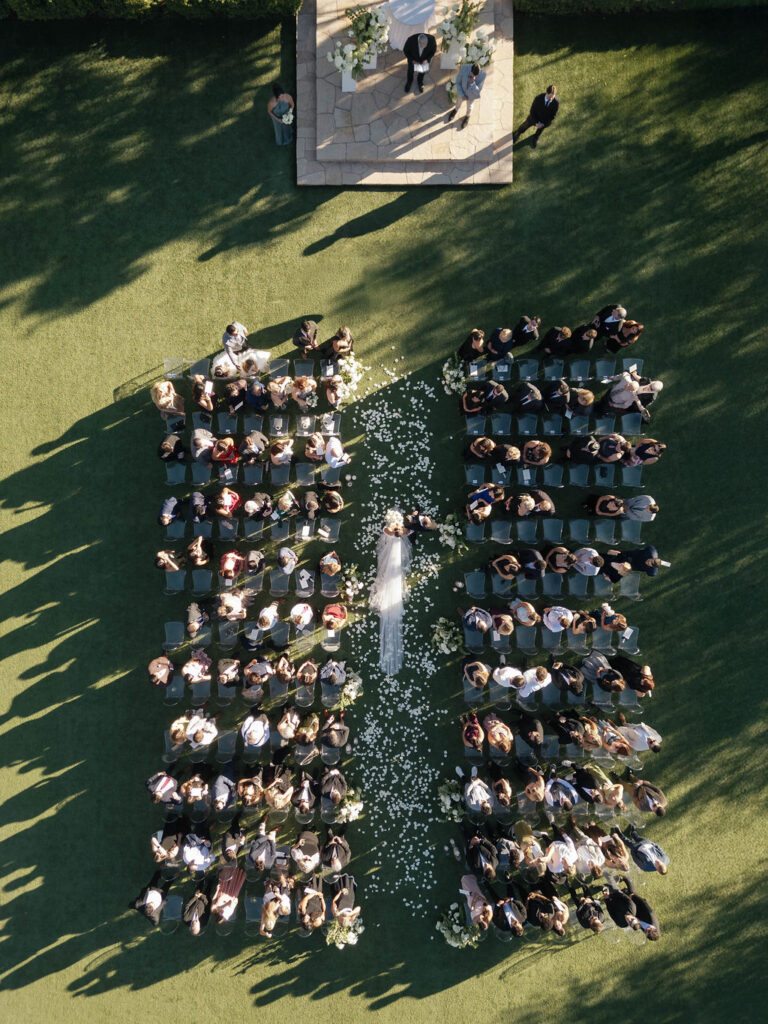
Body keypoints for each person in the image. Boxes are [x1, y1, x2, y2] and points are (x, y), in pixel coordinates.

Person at [513, 84, 559, 148]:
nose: (551, 99)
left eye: (552, 97)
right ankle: (518, 133)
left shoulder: (556, 102)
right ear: (546, 93)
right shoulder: (538, 98)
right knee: (524, 126)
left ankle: (535, 138)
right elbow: (532, 111)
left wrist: (544, 124)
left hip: (544, 122)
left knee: (540, 131)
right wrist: (536, 123)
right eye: (549, 97)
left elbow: (553, 115)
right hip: (534, 118)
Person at [448, 62, 486, 130]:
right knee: (458, 102)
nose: (474, 76)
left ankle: (467, 116)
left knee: (470, 106)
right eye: (472, 74)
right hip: (462, 91)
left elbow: (478, 91)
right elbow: (458, 82)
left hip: (472, 94)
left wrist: (473, 83)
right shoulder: (464, 68)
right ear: (470, 70)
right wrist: (462, 94)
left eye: (476, 75)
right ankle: (456, 110)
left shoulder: (483, 74)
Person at [268, 81, 294, 146]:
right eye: (280, 97)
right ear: (276, 96)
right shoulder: (272, 103)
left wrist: (289, 113)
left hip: (286, 116)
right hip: (277, 119)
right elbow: (269, 112)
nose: (282, 98)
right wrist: (278, 120)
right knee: (279, 131)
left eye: (283, 96)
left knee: (286, 128)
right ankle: (280, 141)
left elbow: (292, 105)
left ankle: (288, 137)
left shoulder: (288, 97)